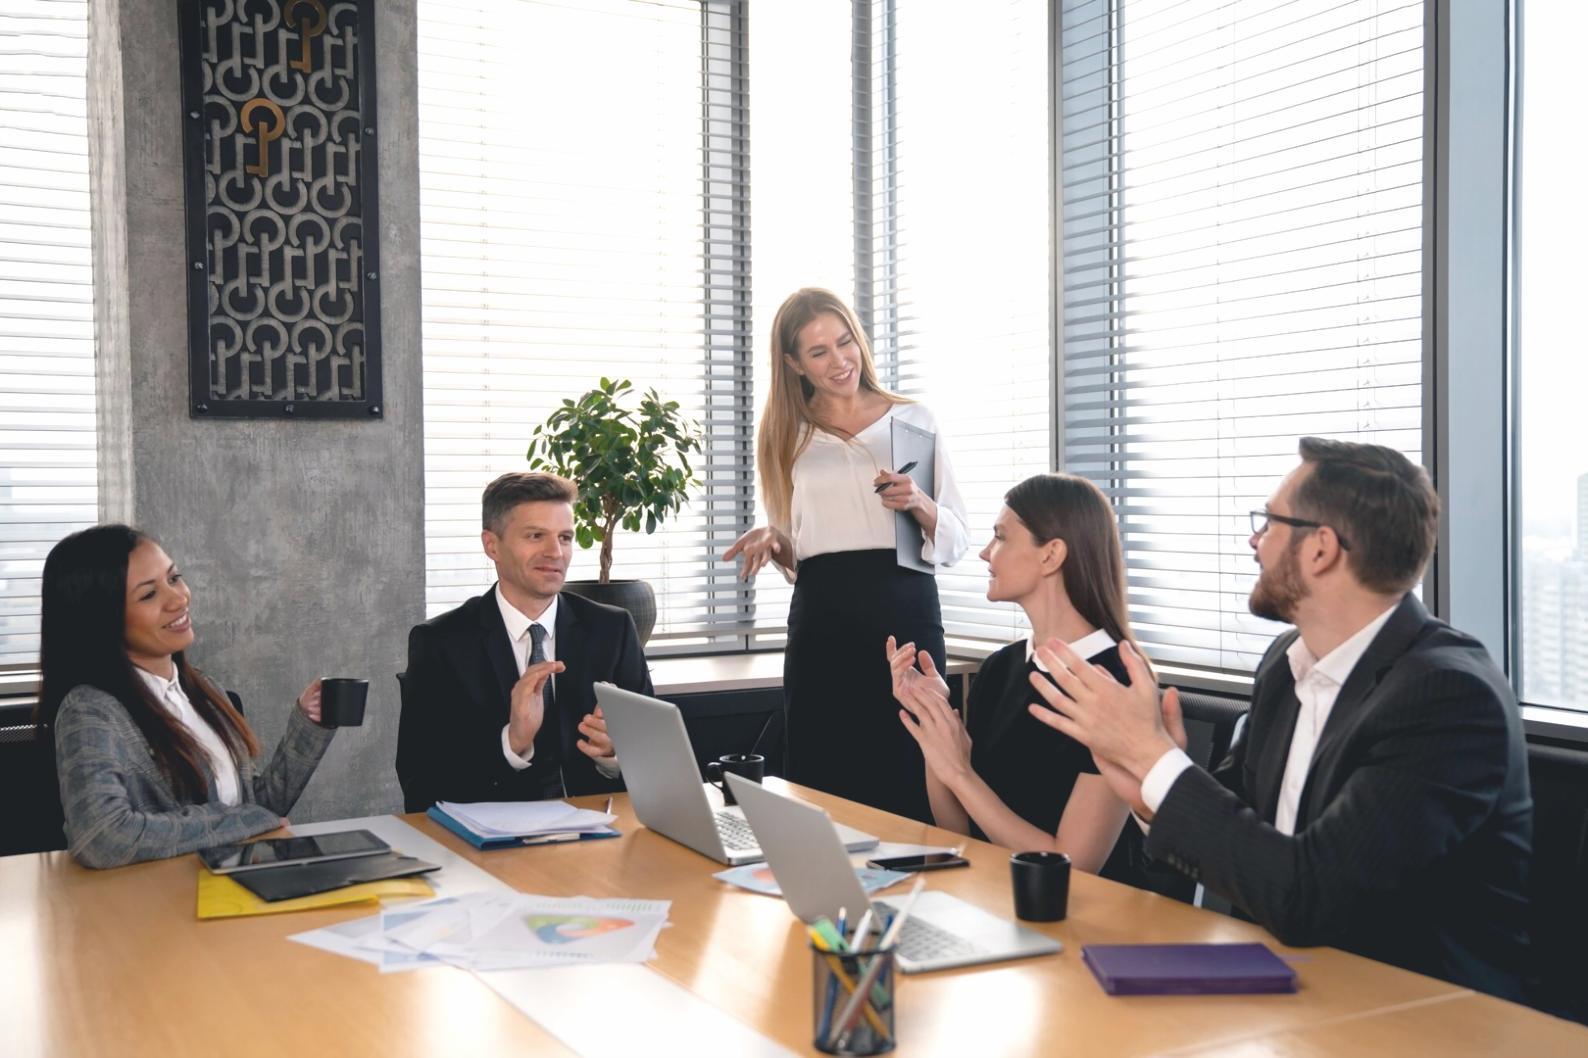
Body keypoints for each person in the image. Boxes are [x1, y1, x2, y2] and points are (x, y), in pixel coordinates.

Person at [1027, 437, 1532, 999]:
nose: (1254, 541)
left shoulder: (1447, 697)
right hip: (1290, 994)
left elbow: (1310, 898)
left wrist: (1157, 760)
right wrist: (1146, 792)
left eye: (1268, 523)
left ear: (1321, 549)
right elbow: (1246, 823)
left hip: (1421, 1021)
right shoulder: (1284, 665)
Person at [723, 287, 969, 821]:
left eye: (844, 342)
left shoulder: (912, 419)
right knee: (822, 765)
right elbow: (798, 547)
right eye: (818, 352)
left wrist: (919, 503)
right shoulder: (786, 433)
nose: (839, 362)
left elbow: (956, 540)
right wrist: (774, 539)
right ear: (793, 364)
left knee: (912, 757)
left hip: (902, 607)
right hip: (822, 614)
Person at [886, 473, 1143, 877]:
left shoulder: (1119, 686)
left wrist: (960, 772)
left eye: (1001, 537)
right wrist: (936, 718)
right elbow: (957, 829)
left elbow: (1070, 867)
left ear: (1051, 555)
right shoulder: (1001, 668)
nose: (986, 553)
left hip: (1076, 918)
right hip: (991, 899)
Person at [40, 525, 335, 869]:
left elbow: (257, 811)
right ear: (101, 619)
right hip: (157, 905)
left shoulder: (204, 691)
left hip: (229, 887)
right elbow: (103, 836)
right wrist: (242, 822)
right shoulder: (91, 710)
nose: (179, 598)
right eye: (148, 595)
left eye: (174, 577)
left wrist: (308, 724)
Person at [397, 471, 652, 811]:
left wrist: (612, 754)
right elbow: (422, 787)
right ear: (492, 545)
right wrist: (512, 742)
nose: (555, 552)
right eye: (536, 536)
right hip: (490, 849)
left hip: (600, 841)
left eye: (565, 537)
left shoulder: (613, 629)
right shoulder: (441, 643)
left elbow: (656, 763)